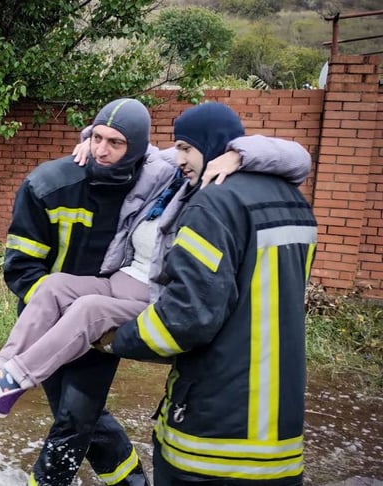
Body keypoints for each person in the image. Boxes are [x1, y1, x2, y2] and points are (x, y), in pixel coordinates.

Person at [0, 98, 311, 486]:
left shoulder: (213, 183)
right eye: (98, 138)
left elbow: (297, 158)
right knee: (52, 286)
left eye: (113, 143)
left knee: (87, 323)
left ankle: (16, 380)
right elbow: (134, 144)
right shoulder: (168, 169)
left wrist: (238, 154)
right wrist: (90, 139)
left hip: (151, 294)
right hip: (122, 277)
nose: (178, 153)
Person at [102, 102, 317, 486]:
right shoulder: (293, 200)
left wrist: (117, 339)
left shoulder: (212, 202)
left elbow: (187, 318)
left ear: (211, 144)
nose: (179, 158)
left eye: (185, 147)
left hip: (213, 433)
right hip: (279, 433)